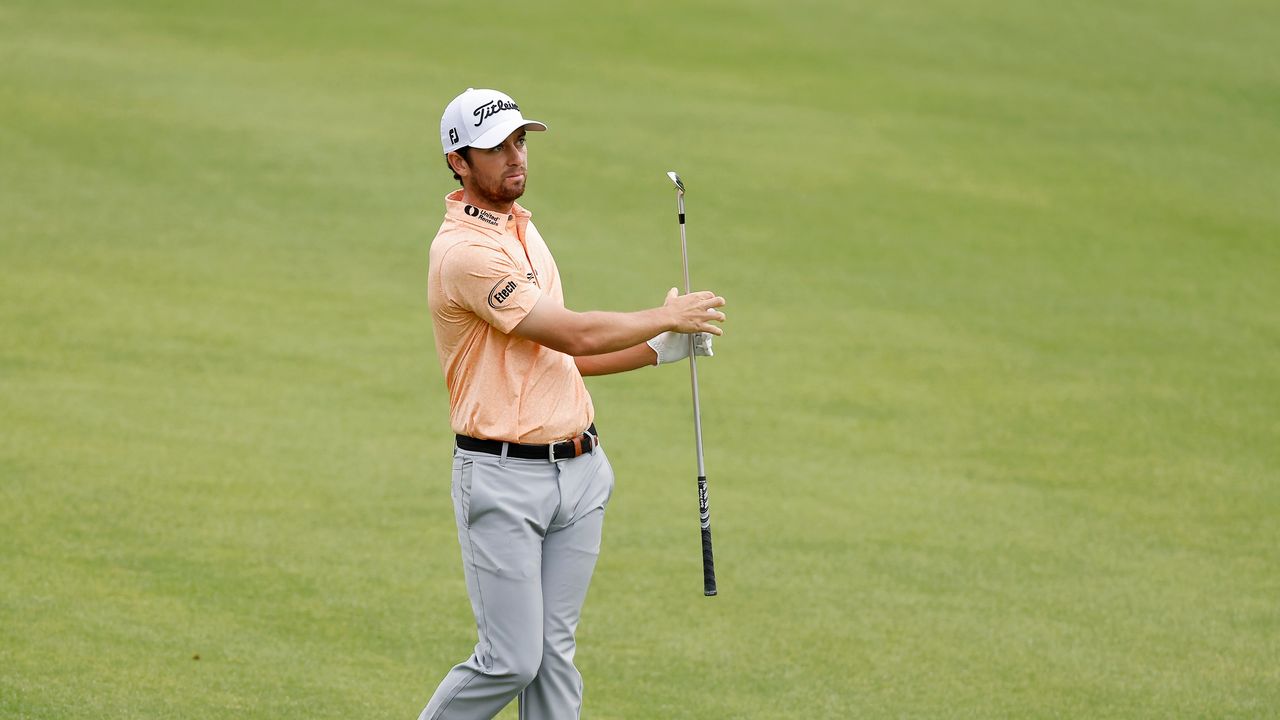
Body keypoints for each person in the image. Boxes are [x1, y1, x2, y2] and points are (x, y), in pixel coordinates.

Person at [417, 87, 726, 720]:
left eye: (519, 141)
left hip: (579, 473)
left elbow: (565, 359)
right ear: (457, 161)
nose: (514, 157)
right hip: (502, 478)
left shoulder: (524, 232)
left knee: (555, 660)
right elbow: (575, 332)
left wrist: (660, 348)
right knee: (511, 660)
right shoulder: (466, 252)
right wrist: (662, 314)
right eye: (495, 147)